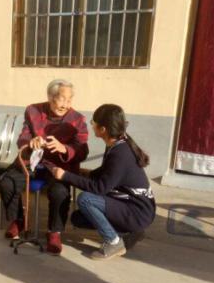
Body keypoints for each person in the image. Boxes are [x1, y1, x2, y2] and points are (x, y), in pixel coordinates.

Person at [50, 104, 156, 260]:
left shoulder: (121, 153)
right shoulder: (118, 142)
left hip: (138, 211)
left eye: (93, 122)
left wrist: (65, 175)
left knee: (85, 199)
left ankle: (114, 242)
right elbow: (107, 171)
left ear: (103, 129)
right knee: (78, 219)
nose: (92, 125)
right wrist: (85, 173)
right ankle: (130, 232)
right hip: (131, 205)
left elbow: (99, 188)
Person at [0, 79, 89, 255]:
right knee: (7, 181)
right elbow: (23, 137)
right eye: (62, 99)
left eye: (69, 100)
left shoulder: (77, 119)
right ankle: (18, 220)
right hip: (32, 161)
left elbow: (82, 150)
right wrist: (30, 142)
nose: (66, 105)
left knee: (59, 192)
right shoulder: (33, 110)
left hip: (58, 165)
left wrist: (65, 149)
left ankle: (54, 232)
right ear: (50, 97)